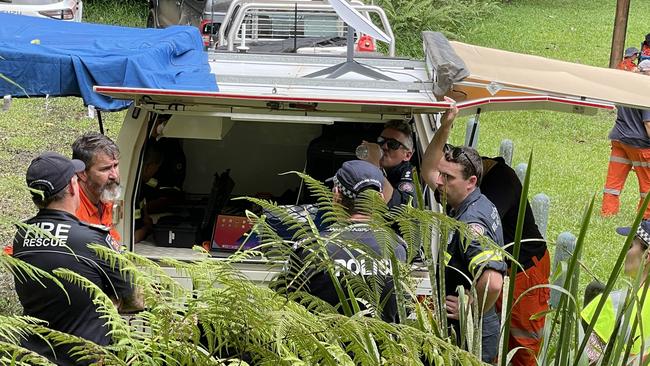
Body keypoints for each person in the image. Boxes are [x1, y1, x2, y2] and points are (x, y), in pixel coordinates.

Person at [12, 152, 142, 365]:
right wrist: (112, 302)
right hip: (86, 358)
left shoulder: (21, 236)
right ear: (73, 186)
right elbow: (134, 298)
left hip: (34, 357)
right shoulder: (91, 238)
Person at [421, 100, 507, 363]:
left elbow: (493, 281)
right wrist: (446, 125)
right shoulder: (463, 200)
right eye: (443, 175)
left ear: (471, 182)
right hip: (467, 334)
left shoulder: (471, 222)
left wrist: (471, 307)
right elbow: (428, 170)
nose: (440, 182)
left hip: (472, 338)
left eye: (448, 178)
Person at [283, 160, 407, 323]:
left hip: (323, 346)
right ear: (380, 199)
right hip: (381, 347)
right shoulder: (398, 248)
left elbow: (285, 309)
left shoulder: (309, 246)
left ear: (335, 195)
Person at [481, 156, 550, 366]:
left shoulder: (501, 181)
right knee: (502, 337)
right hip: (505, 269)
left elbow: (485, 225)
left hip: (525, 272)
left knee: (523, 348)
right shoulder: (487, 177)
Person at [581, 220, 650, 364]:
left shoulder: (614, 304)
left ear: (647, 257)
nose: (626, 250)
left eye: (630, 245)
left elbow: (588, 360)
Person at [601, 62, 650, 218]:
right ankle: (646, 217)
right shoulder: (646, 91)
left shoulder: (627, 89)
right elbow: (648, 124)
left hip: (619, 140)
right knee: (648, 185)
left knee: (613, 183)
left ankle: (607, 212)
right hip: (639, 144)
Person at [72, 132, 122, 246]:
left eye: (115, 165)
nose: (114, 175)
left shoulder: (105, 195)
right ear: (82, 174)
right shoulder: (72, 209)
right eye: (106, 169)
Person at [361, 120, 418, 208]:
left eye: (393, 144)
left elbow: (402, 209)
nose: (384, 147)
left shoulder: (409, 175)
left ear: (407, 155)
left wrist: (375, 166)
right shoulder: (377, 169)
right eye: (381, 141)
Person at [134, 143, 164, 243]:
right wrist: (147, 229)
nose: (155, 172)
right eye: (156, 168)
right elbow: (133, 237)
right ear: (148, 166)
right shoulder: (134, 192)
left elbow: (143, 210)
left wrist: (146, 218)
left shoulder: (140, 186)